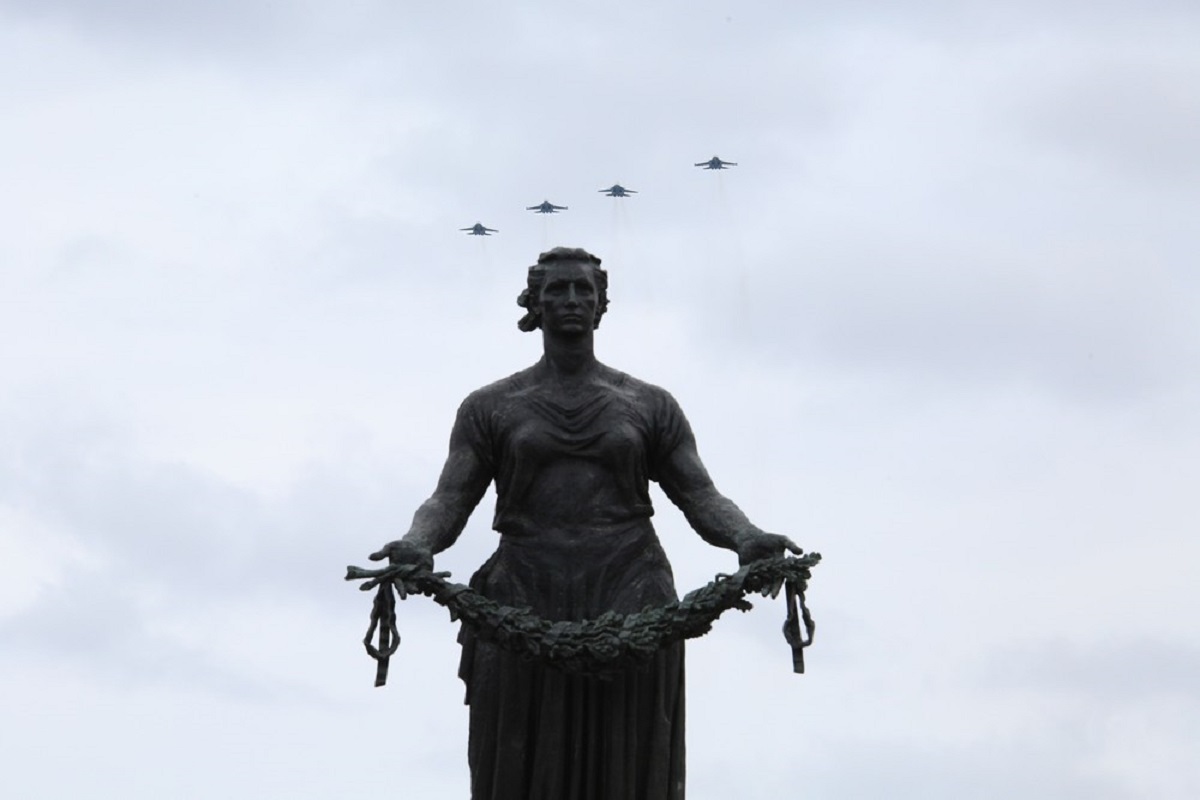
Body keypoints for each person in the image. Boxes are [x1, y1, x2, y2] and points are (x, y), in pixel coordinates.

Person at [370, 247, 799, 800]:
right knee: (515, 759)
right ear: (535, 304)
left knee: (630, 757)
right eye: (557, 290)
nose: (570, 300)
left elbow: (699, 493)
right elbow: (450, 499)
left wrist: (747, 537)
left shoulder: (648, 404)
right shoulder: (491, 406)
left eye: (582, 290)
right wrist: (416, 543)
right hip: (522, 591)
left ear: (601, 305)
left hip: (628, 587)